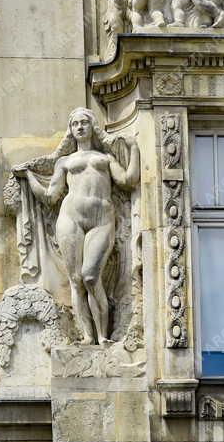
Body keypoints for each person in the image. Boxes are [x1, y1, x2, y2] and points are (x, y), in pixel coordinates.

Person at [17, 108, 139, 345]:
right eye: (75, 124)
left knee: (91, 276)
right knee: (76, 280)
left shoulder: (105, 158)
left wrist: (133, 148)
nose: (80, 127)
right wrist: (29, 177)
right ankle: (88, 336)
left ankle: (103, 334)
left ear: (92, 127)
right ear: (70, 131)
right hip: (70, 218)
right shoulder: (64, 162)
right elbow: (51, 196)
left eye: (84, 122)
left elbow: (128, 181)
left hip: (101, 219)